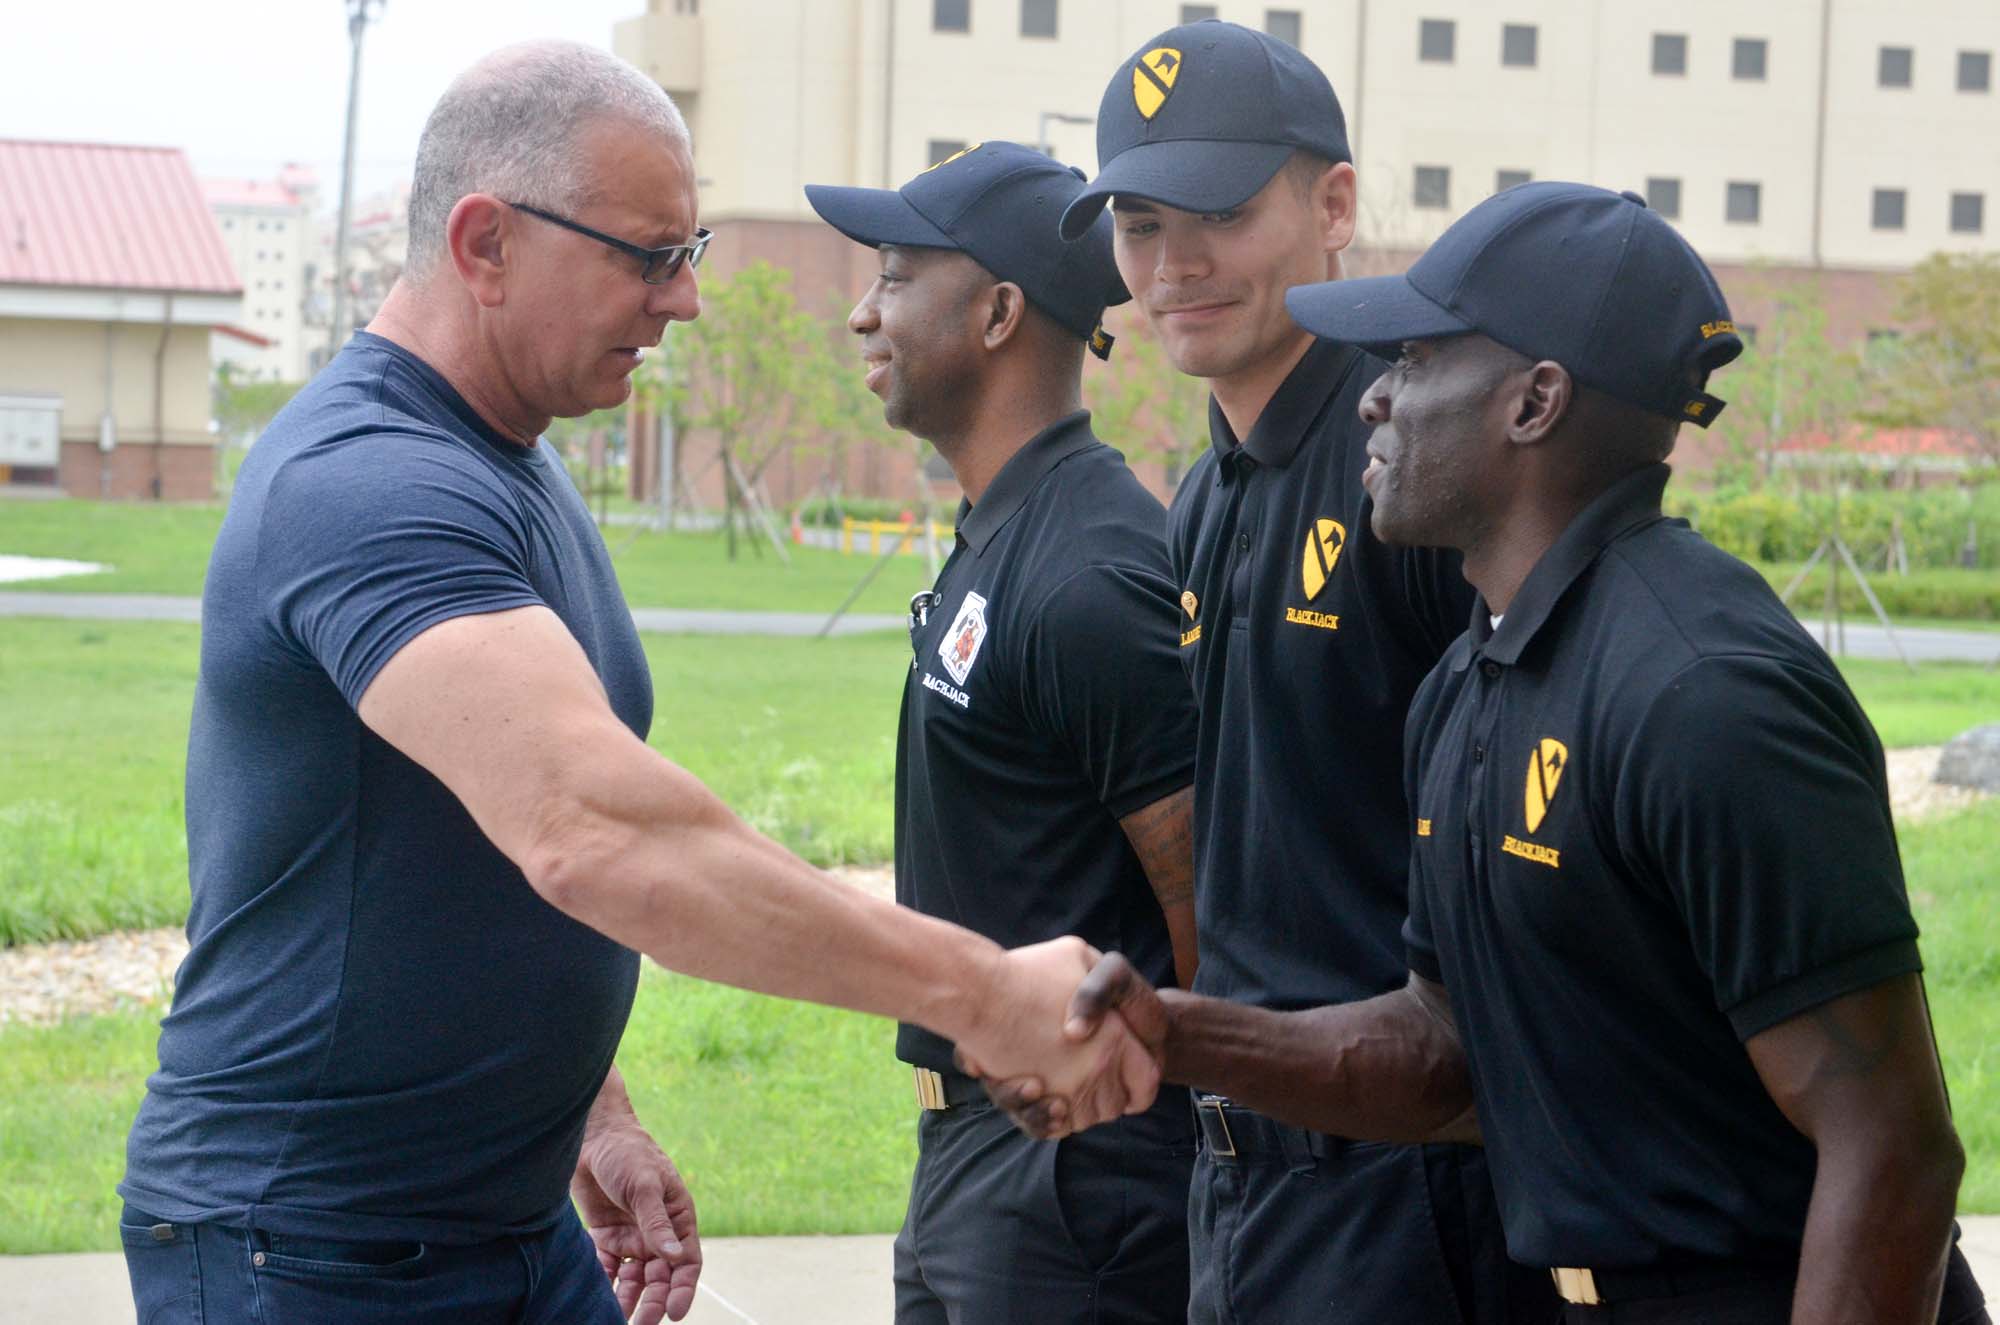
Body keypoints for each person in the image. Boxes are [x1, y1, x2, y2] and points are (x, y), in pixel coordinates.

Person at [116, 42, 1155, 1325]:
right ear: (485, 242)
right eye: (646, 256)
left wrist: (588, 1110)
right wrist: (983, 991)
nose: (685, 302)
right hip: (310, 1242)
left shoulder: (516, 465)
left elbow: (473, 846)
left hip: (503, 1220)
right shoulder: (367, 484)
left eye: (692, 252)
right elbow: (587, 824)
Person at [1011, 181, 1991, 1324]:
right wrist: (1170, 1031)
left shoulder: (1703, 695)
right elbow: (1442, 1054)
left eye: (1415, 358)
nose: (1371, 398)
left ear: (1533, 402)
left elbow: (1892, 1151)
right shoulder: (1472, 679)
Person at [1051, 19, 1552, 1322]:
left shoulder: (1417, 462)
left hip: (1415, 1187)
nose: (1174, 265)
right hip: (1248, 1181)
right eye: (1140, 224)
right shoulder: (1205, 497)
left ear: (1335, 204)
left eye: (1217, 209)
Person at [806, 139, 1201, 1324]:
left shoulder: (1091, 570)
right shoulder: (1005, 528)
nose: (861, 314)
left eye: (891, 274)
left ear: (995, 311)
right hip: (975, 1164)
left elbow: (1206, 919)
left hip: (1075, 1179)